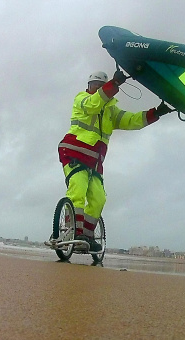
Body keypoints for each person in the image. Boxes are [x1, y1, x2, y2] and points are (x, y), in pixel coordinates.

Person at [57, 70, 172, 251]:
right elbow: (93, 105)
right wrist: (114, 84)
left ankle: (86, 237)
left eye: (98, 85)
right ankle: (73, 233)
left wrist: (156, 113)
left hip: (94, 162)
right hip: (75, 152)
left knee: (99, 199)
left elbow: (132, 120)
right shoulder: (82, 99)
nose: (94, 88)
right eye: (92, 85)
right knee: (77, 191)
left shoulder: (111, 112)